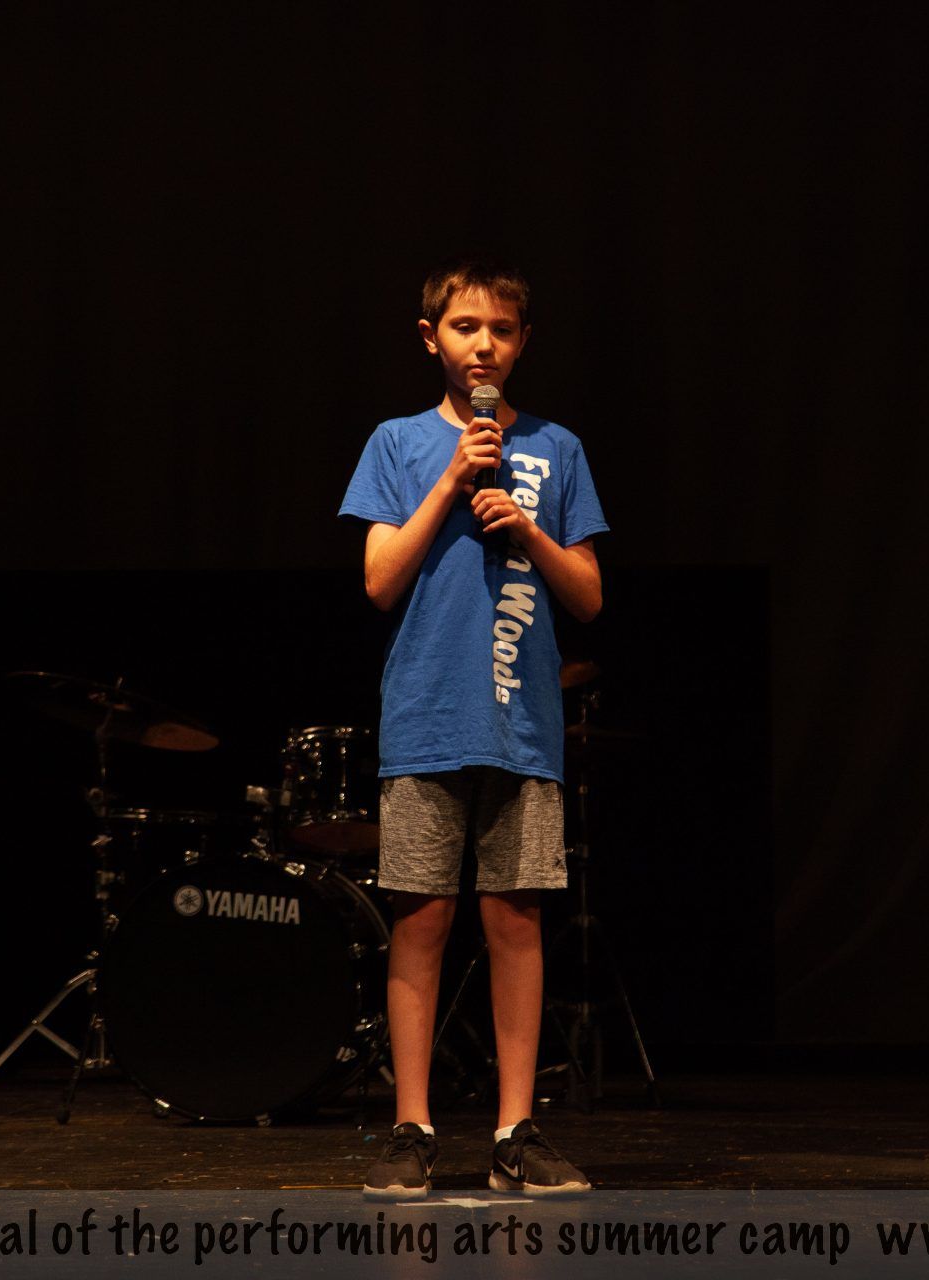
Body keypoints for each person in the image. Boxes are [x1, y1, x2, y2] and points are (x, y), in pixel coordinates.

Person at [339, 256, 606, 1200]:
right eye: (464, 327)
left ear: (523, 342)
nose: (482, 344)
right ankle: (412, 1126)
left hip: (521, 729)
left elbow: (588, 596)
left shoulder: (557, 449)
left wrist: (528, 530)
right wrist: (452, 480)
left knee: (516, 923)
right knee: (420, 921)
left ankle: (513, 1130)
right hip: (426, 719)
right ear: (431, 339)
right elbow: (379, 582)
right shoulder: (398, 443)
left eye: (500, 329)